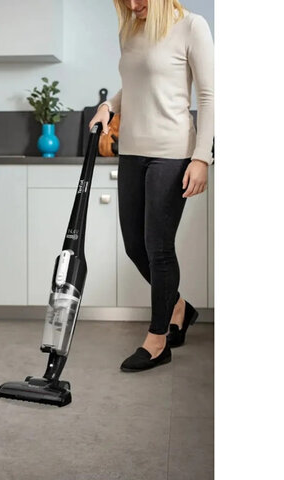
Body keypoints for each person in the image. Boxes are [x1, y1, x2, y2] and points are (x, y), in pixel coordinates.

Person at [89, 0, 214, 372]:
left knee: (158, 248)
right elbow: (135, 84)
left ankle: (158, 340)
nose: (132, 5)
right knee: (134, 246)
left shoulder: (192, 26)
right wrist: (109, 106)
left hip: (172, 153)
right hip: (131, 150)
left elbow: (208, 96)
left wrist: (201, 157)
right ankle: (179, 307)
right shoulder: (131, 29)